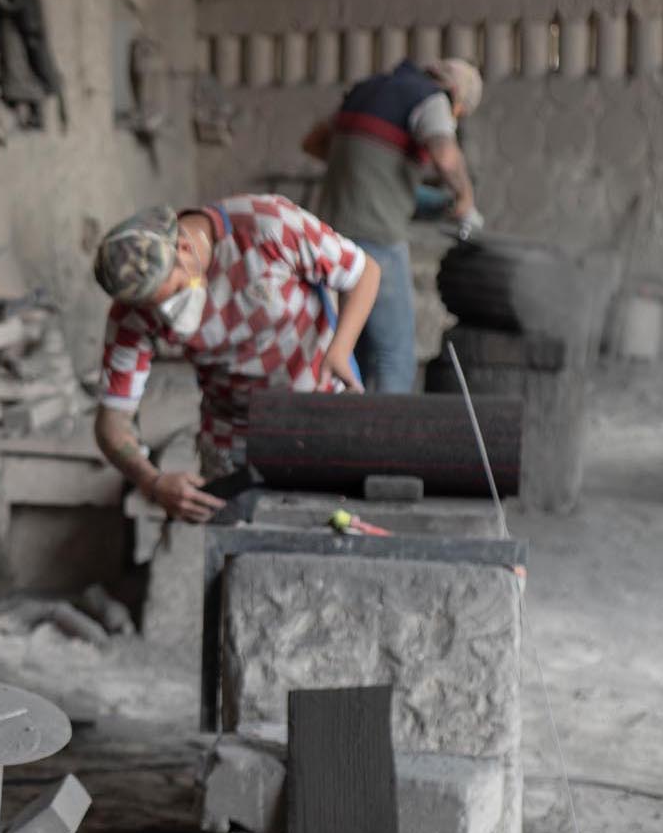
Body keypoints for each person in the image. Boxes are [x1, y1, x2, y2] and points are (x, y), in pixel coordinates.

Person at [89, 196, 380, 526]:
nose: (168, 312)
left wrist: (340, 348)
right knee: (236, 544)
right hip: (233, 432)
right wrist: (152, 482)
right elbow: (111, 422)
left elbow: (363, 271)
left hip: (318, 406)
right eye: (155, 307)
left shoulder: (267, 226)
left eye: (175, 291)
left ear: (183, 248)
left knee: (334, 528)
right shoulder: (133, 314)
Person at [302, 56, 485, 395]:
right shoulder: (430, 99)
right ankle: (389, 443)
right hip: (377, 240)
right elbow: (446, 157)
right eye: (457, 115)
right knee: (393, 356)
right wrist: (465, 199)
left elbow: (313, 143)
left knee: (349, 350)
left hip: (328, 238)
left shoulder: (364, 90)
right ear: (455, 96)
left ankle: (347, 437)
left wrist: (388, 185)